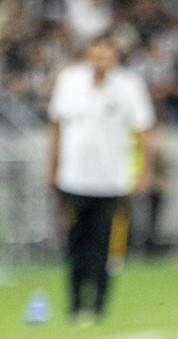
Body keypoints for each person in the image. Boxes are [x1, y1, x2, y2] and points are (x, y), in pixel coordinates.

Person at [47, 37, 155, 323]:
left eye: (106, 57)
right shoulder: (69, 82)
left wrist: (143, 171)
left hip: (112, 181)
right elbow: (57, 126)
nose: (100, 63)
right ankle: (74, 303)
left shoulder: (129, 86)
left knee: (105, 246)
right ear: (87, 56)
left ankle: (98, 306)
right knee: (75, 244)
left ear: (115, 58)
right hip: (74, 178)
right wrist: (52, 166)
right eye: (95, 57)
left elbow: (144, 131)